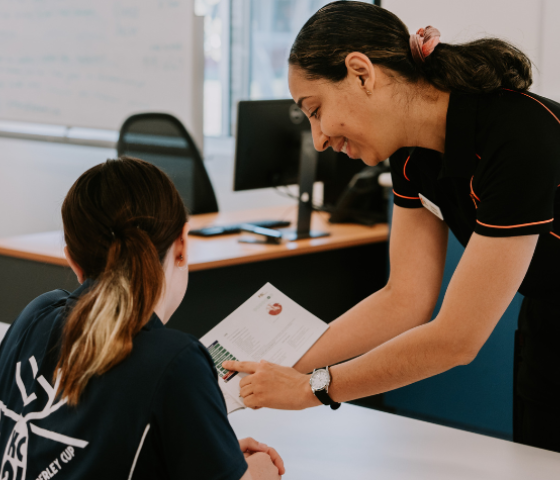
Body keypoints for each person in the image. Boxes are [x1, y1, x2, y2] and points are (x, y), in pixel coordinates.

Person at [223, 0, 560, 453]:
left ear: (361, 73)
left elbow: (457, 339)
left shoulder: (519, 134)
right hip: (548, 323)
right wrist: (267, 367)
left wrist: (310, 388)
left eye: (316, 109)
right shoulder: (408, 155)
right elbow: (403, 299)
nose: (319, 139)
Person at [0, 157, 284, 479]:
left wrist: (212, 451)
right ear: (182, 245)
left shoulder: (34, 316)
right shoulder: (175, 362)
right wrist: (258, 471)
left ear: (73, 262)